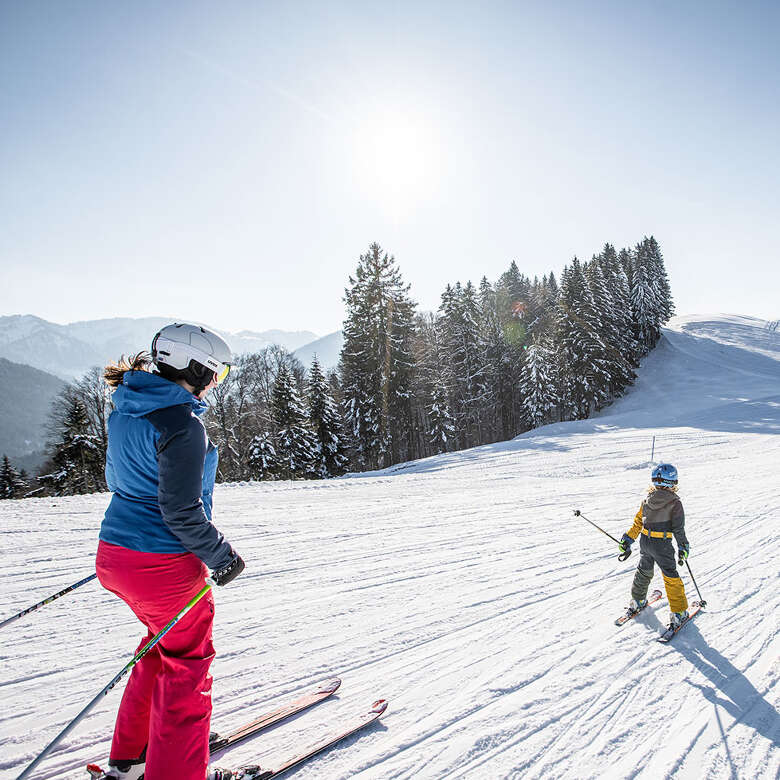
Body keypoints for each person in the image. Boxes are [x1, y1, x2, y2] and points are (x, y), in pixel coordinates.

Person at [95, 323, 244, 780]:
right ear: (195, 367)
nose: (213, 385)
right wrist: (222, 556)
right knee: (188, 667)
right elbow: (181, 512)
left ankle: (132, 757)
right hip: (163, 565)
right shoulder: (183, 425)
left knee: (159, 648)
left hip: (115, 555)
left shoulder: (126, 408)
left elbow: (117, 481)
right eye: (214, 375)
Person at [617, 463, 690, 628]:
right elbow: (678, 529)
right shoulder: (675, 503)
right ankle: (678, 612)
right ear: (672, 483)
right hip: (662, 545)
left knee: (644, 571)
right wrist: (683, 547)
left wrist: (628, 540)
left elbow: (637, 524)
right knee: (671, 576)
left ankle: (637, 601)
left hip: (645, 542)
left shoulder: (646, 500)